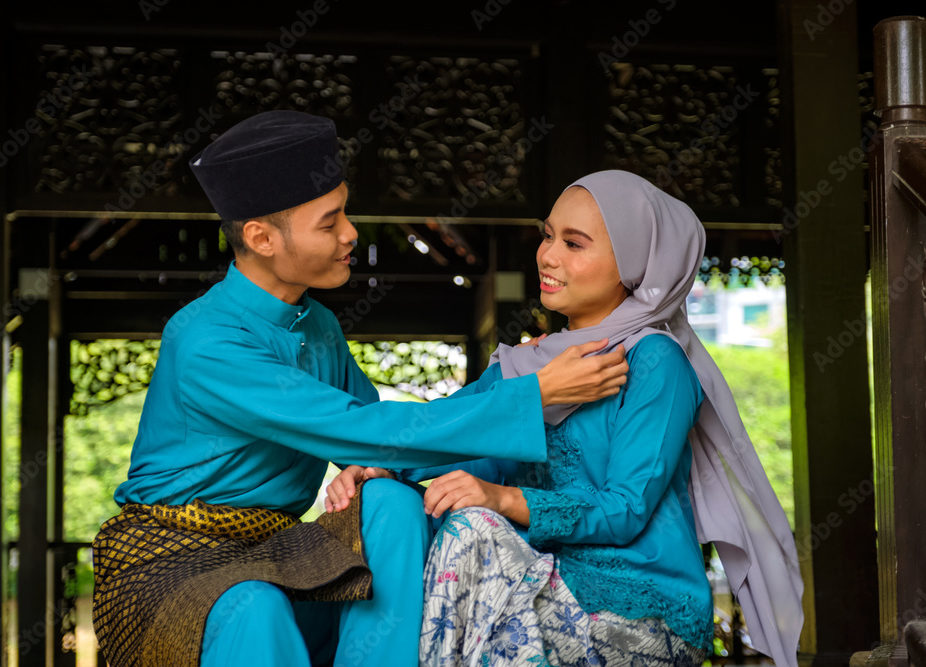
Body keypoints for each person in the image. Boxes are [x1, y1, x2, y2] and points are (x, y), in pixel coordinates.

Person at [91, 111, 631, 667]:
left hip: (275, 549)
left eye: (344, 212)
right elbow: (365, 428)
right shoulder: (207, 341)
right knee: (254, 607)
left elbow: (384, 436)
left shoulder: (316, 324)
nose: (351, 232)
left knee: (391, 501)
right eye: (329, 223)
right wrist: (534, 394)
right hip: (170, 559)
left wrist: (373, 464)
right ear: (260, 238)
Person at [327, 170, 803, 667]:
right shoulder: (526, 365)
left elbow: (626, 508)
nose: (549, 256)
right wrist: (377, 467)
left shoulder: (655, 361)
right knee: (423, 509)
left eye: (575, 244)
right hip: (540, 576)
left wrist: (502, 498)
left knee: (475, 529)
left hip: (639, 605)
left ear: (633, 266)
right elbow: (452, 430)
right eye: (549, 235)